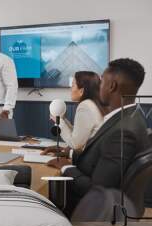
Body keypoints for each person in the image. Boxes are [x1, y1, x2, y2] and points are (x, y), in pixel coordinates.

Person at [44, 58, 150, 217]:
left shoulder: (123, 131)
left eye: (102, 82)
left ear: (111, 86)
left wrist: (65, 167)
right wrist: (70, 154)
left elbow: (96, 189)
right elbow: (99, 154)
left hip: (96, 211)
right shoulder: (127, 118)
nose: (98, 87)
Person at [53, 71, 106, 151]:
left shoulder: (85, 106)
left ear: (81, 91)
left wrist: (59, 122)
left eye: (73, 85)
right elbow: (79, 133)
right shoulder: (93, 104)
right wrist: (63, 119)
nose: (70, 89)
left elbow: (75, 144)